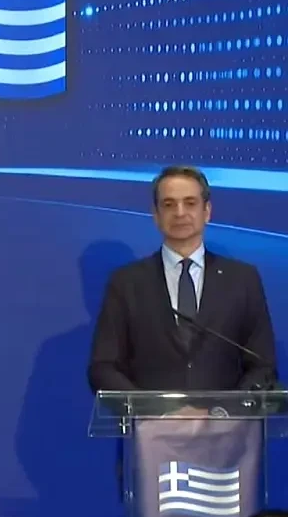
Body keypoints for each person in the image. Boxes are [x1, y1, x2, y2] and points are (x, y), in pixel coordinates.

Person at [88, 165, 277, 393]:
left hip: (226, 416)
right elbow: (104, 368)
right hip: (151, 416)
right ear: (156, 215)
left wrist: (222, 409)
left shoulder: (242, 280)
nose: (179, 213)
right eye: (169, 204)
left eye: (190, 203)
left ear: (207, 211)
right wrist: (152, 408)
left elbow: (263, 366)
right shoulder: (126, 282)